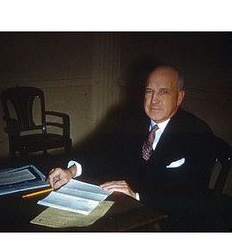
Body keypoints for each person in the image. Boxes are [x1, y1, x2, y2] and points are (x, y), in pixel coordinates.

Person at [46, 65, 215, 217]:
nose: (154, 100)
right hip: (126, 210)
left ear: (179, 97)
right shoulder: (132, 121)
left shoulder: (198, 133)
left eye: (163, 92)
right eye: (149, 91)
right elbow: (106, 154)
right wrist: (71, 171)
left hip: (169, 219)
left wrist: (137, 196)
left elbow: (193, 195)